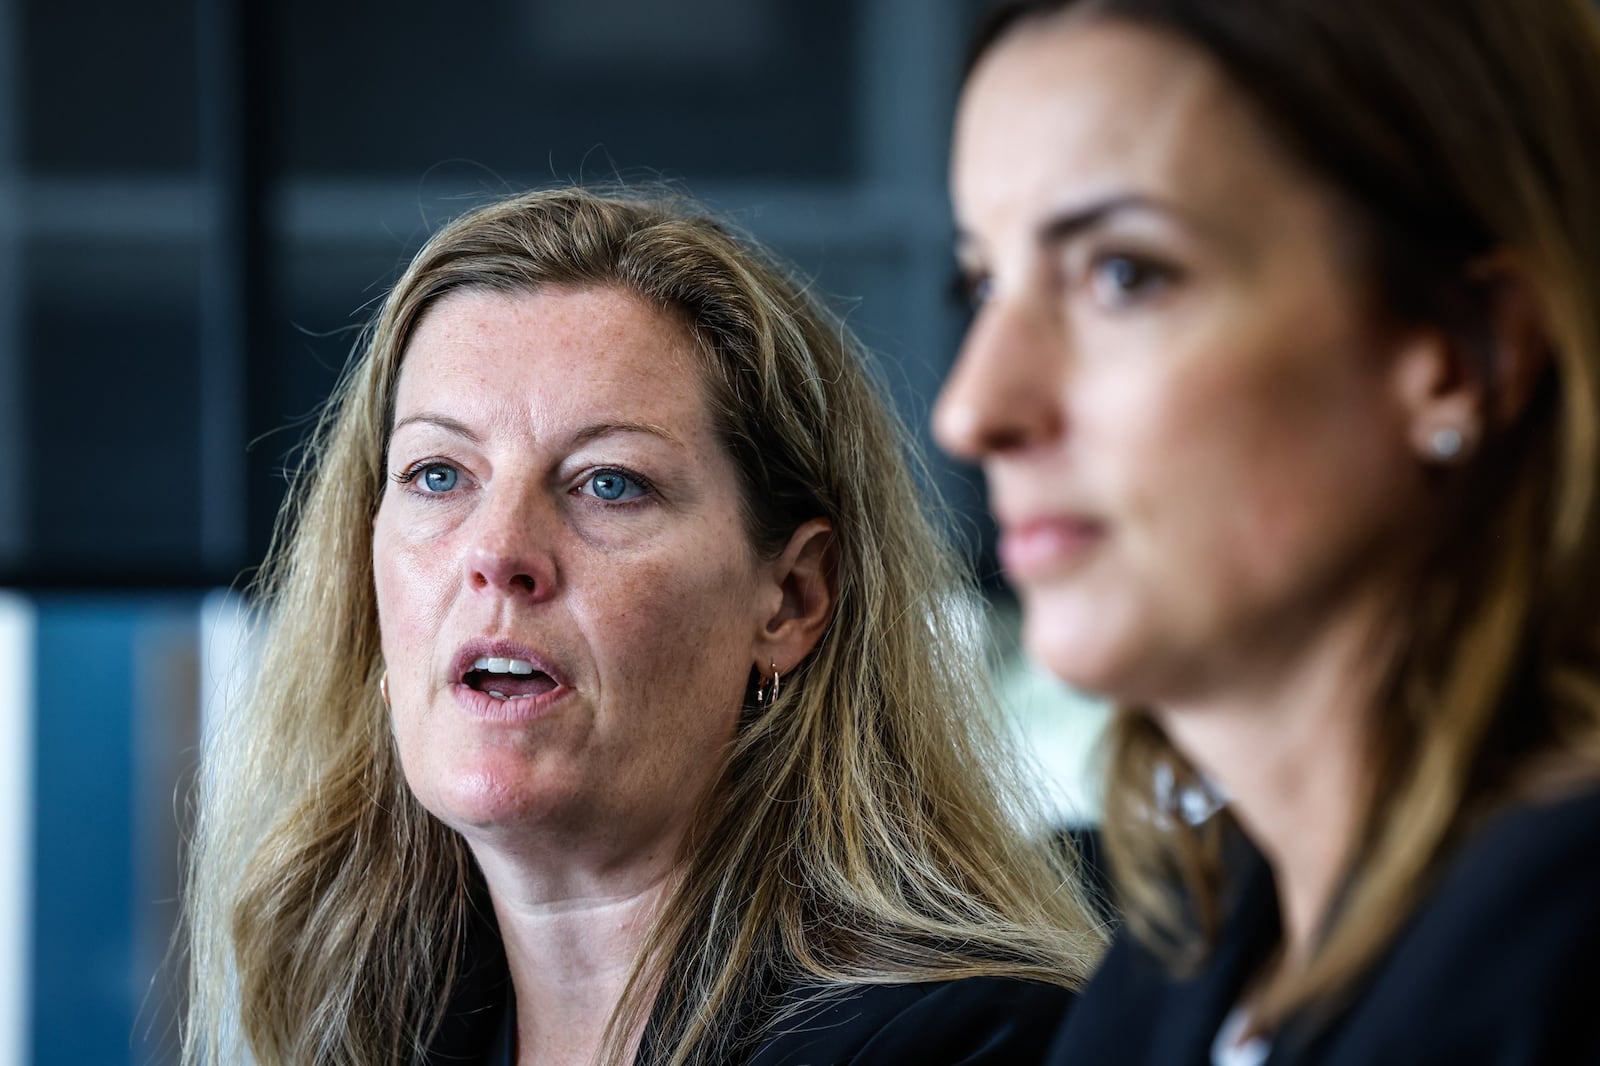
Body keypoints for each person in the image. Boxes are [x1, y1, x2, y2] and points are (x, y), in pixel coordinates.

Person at [182, 186, 1102, 1066]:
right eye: (438, 475)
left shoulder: (965, 1042)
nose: (498, 552)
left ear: (790, 600)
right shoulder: (383, 1029)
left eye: (608, 482)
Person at [934, 0, 1600, 1062]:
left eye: (1123, 275)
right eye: (981, 282)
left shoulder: (1563, 958)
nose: (971, 410)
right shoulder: (1179, 953)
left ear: (1461, 351)